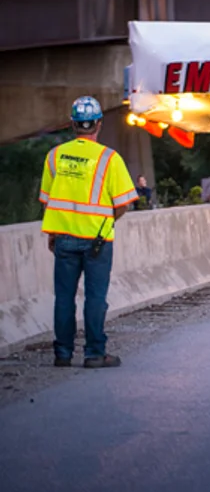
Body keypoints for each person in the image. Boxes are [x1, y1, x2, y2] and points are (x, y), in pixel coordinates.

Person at [40, 96, 138, 369]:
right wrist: (105, 221)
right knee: (95, 297)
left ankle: (62, 354)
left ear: (72, 124)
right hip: (97, 241)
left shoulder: (55, 156)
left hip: (63, 239)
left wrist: (53, 233)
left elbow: (48, 200)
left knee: (64, 297)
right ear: (98, 124)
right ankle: (95, 354)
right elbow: (124, 204)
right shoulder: (109, 158)